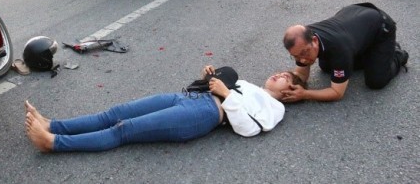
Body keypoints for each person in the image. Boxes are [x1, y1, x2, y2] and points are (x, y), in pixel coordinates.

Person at [24, 65, 306, 152]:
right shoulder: (250, 84)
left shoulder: (275, 108)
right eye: (281, 72)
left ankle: (54, 143)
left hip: (206, 114)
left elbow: (249, 129)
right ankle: (54, 125)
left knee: (124, 130)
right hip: (186, 98)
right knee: (115, 112)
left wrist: (225, 95)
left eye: (286, 78)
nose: (281, 75)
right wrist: (209, 77)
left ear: (290, 91)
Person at [281, 2, 409, 103]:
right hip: (352, 19)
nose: (302, 60)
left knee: (376, 81)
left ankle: (396, 53)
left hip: (381, 26)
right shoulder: (302, 41)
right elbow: (300, 74)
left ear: (314, 40)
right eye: (295, 56)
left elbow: (337, 93)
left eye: (304, 53)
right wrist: (287, 87)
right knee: (326, 67)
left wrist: (305, 94)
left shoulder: (339, 49)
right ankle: (370, 54)